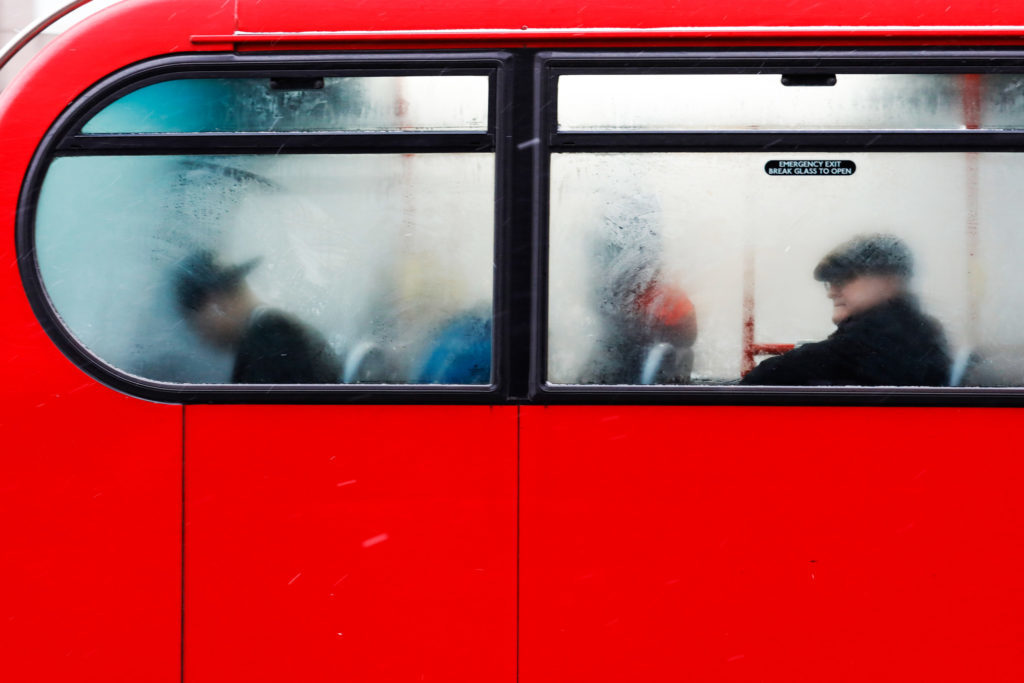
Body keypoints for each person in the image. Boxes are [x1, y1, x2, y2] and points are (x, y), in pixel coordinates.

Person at [741, 234, 950, 386]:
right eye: (829, 283)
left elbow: (762, 381)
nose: (831, 292)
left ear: (891, 279)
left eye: (842, 279)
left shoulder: (878, 347)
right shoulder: (922, 336)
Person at [174, 250, 341, 384]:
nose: (199, 335)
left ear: (216, 302)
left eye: (194, 321)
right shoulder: (273, 330)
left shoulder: (274, 340)